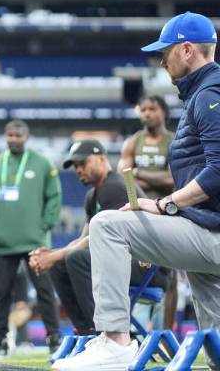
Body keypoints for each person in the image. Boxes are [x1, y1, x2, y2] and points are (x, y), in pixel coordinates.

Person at [52, 12, 220, 370]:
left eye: (167, 51)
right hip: (206, 230)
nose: (161, 59)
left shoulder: (210, 94)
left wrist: (165, 205)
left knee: (107, 225)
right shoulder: (203, 94)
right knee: (217, 353)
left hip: (211, 233)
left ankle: (115, 342)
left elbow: (219, 171)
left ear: (188, 50)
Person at [29, 139, 169, 336]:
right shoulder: (92, 195)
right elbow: (83, 239)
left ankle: (107, 332)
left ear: (102, 159)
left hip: (150, 267)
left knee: (75, 259)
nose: (78, 169)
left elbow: (96, 240)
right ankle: (87, 330)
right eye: (75, 166)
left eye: (83, 163)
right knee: (62, 263)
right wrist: (53, 255)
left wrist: (54, 256)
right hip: (126, 261)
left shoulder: (115, 186)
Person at [0, 120, 62, 357]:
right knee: (0, 295)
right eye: (10, 135)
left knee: (45, 293)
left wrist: (44, 225)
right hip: (4, 242)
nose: (14, 139)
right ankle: (0, 342)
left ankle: (54, 340)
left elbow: (54, 196)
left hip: (34, 242)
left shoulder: (42, 163)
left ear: (26, 137)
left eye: (18, 135)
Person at [118, 95, 178, 331]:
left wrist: (139, 171)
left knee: (170, 274)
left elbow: (173, 179)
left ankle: (166, 334)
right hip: (138, 213)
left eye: (152, 109)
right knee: (137, 272)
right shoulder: (133, 142)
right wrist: (144, 176)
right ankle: (135, 333)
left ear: (163, 112)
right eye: (142, 109)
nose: (146, 114)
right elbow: (125, 177)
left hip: (167, 211)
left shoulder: (173, 141)